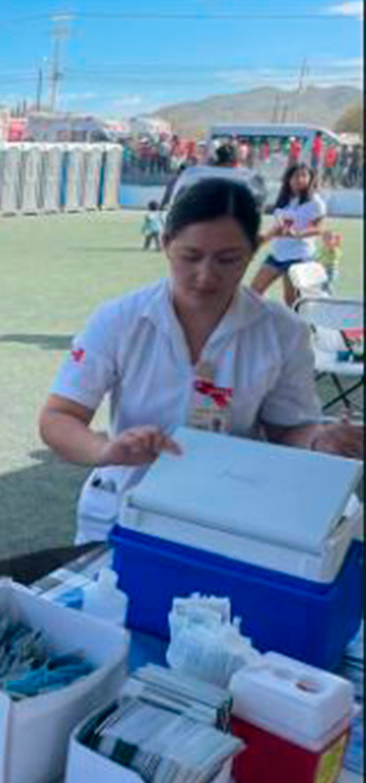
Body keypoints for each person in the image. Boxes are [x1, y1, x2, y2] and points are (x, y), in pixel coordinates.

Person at [39, 177, 362, 546]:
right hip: (125, 506)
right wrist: (104, 450)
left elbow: (286, 430)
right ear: (165, 245)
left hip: (229, 515)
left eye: (228, 260)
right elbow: (59, 417)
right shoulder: (119, 320)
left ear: (253, 251)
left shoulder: (282, 331)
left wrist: (320, 442)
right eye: (190, 256)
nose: (206, 276)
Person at [250, 163, 326, 308]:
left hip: (298, 257)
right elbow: (278, 228)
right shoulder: (285, 200)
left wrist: (298, 234)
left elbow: (319, 228)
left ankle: (303, 329)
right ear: (289, 179)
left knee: (291, 300)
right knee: (253, 292)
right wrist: (261, 241)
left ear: (311, 179)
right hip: (277, 255)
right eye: (295, 175)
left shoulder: (315, 202)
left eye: (304, 175)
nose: (299, 179)